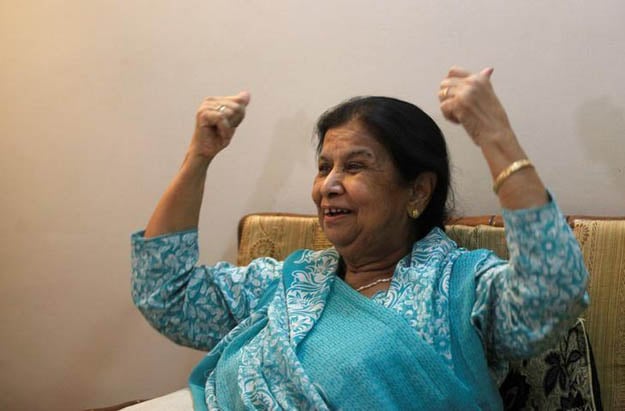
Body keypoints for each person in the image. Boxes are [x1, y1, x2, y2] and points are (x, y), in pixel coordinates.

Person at [131, 67, 589, 410]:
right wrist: (200, 156)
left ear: (417, 191)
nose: (328, 185)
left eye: (354, 167)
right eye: (324, 166)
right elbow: (167, 295)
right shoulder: (290, 282)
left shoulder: (458, 289)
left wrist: (494, 134)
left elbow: (553, 293)